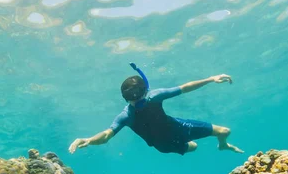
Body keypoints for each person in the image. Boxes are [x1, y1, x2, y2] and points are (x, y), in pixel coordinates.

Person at [68, 63, 243, 156]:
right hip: (163, 145)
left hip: (178, 127)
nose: (137, 102)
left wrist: (211, 78)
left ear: (146, 91)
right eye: (132, 99)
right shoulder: (126, 116)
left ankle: (223, 145)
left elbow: (185, 87)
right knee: (194, 147)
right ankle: (214, 144)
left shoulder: (155, 97)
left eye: (140, 97)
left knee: (224, 131)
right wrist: (90, 140)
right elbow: (106, 135)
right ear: (126, 99)